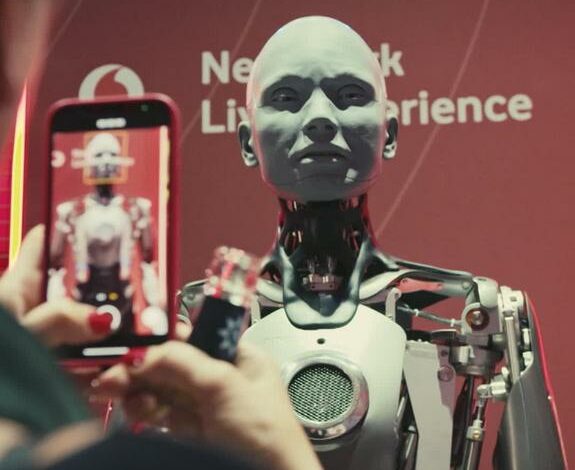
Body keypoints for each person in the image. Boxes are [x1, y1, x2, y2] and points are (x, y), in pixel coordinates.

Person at [180, 15, 566, 470]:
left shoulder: (482, 312)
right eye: (286, 98)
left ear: (390, 134)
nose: (320, 119)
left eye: (349, 96)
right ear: (248, 142)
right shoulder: (192, 322)